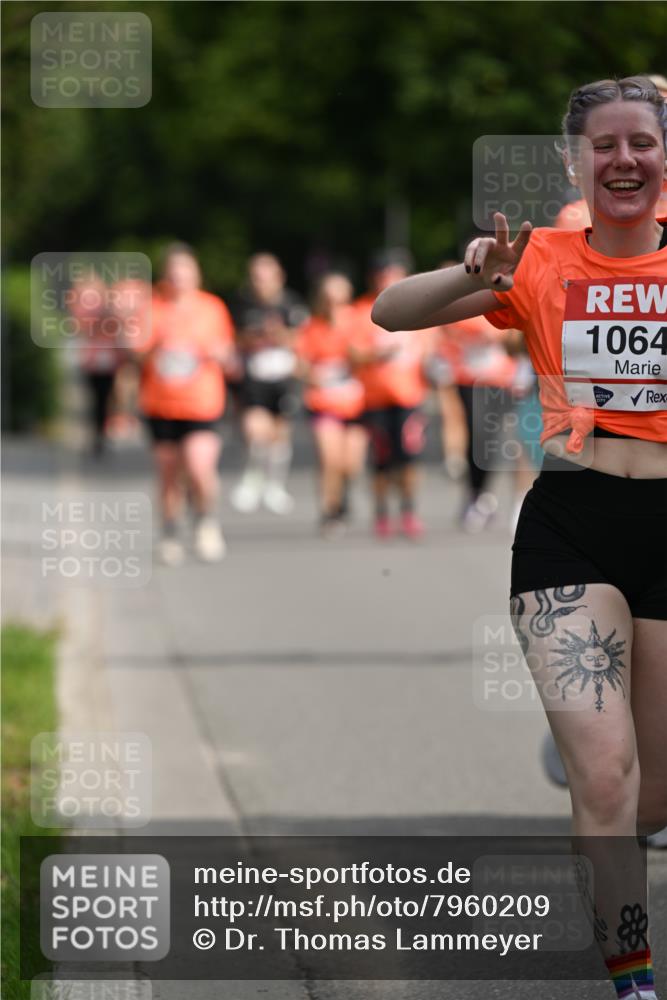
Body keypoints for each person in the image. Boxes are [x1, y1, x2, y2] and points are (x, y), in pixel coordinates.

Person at [372, 77, 666, 1000]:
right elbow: (390, 313)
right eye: (603, 145)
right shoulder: (535, 258)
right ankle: (633, 980)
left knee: (648, 793)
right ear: (574, 160)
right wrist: (476, 273)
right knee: (609, 785)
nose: (623, 159)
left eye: (642, 143)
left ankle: (588, 748)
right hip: (570, 526)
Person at [135, 243, 235, 565]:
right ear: (166, 276)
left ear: (196, 274)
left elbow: (229, 355)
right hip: (161, 403)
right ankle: (169, 531)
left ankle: (205, 520)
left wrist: (215, 353)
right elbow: (134, 352)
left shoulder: (212, 308)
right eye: (173, 272)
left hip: (202, 402)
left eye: (185, 271)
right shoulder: (152, 308)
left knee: (198, 467)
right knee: (167, 473)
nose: (179, 278)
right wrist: (158, 348)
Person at [350, 249, 437, 539]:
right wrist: (378, 354)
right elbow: (352, 354)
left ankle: (409, 511)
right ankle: (382, 513)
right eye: (381, 275)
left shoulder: (419, 309)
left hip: (409, 397)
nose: (386, 280)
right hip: (374, 399)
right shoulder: (361, 311)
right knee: (381, 460)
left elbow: (429, 349)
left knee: (410, 458)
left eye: (393, 274)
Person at [230, 252, 309, 515]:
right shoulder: (243, 304)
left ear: (279, 277)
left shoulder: (291, 304)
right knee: (255, 431)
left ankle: (275, 484)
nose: (261, 283)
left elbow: (302, 340)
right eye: (256, 278)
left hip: (283, 377)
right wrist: (254, 336)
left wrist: (279, 334)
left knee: (279, 435)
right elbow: (236, 339)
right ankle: (253, 478)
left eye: (266, 277)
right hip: (255, 377)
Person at [294, 272, 367, 535]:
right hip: (323, 402)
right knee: (329, 458)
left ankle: (344, 497)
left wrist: (353, 349)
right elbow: (300, 362)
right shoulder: (311, 328)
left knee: (350, 463)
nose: (334, 305)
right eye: (328, 299)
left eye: (339, 300)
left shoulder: (359, 322)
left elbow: (366, 357)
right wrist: (310, 374)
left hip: (356, 402)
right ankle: (329, 511)